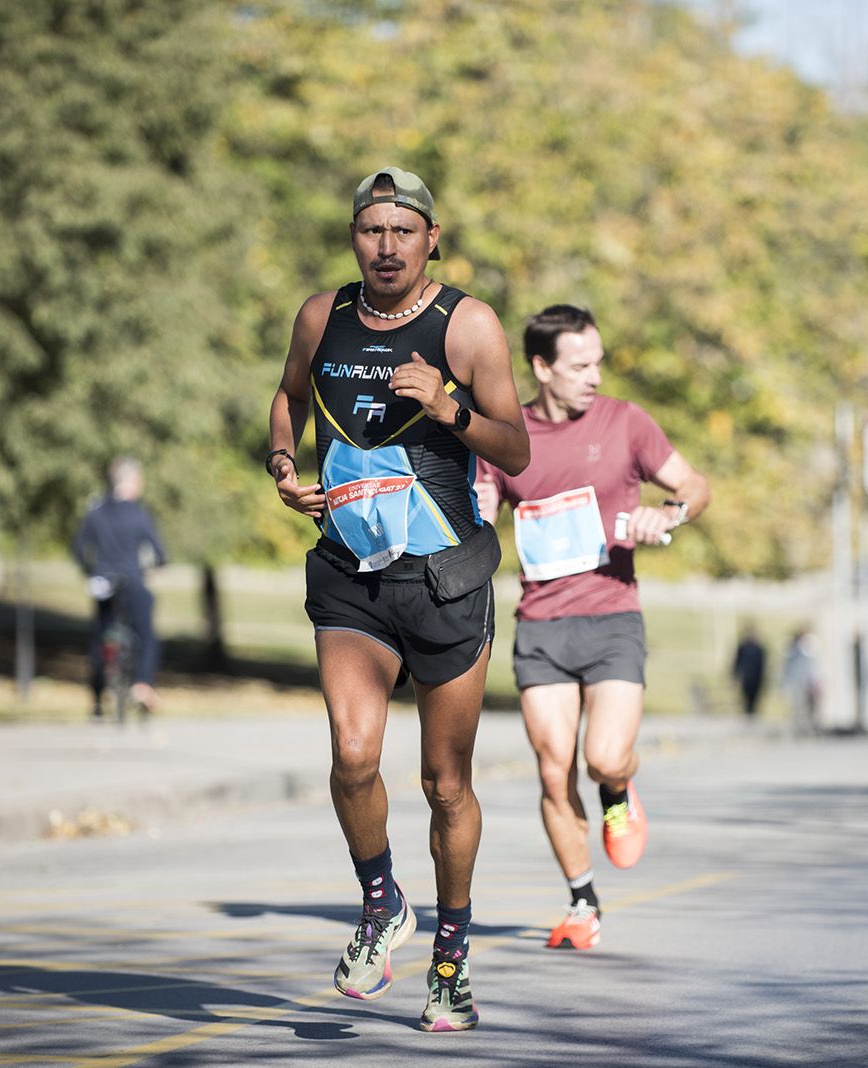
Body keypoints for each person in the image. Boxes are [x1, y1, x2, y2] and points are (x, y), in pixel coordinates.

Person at [266, 167, 528, 1032]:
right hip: (351, 571)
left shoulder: (470, 325)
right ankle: (381, 903)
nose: (385, 246)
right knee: (351, 754)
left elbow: (517, 450)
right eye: (371, 230)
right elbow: (290, 395)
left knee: (444, 784)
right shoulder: (322, 315)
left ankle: (449, 964)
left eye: (401, 231)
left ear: (430, 238)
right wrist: (282, 462)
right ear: (355, 237)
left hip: (444, 577)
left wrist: (450, 407)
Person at [475, 304, 710, 952]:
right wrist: (475, 507)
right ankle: (582, 902)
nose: (594, 376)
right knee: (553, 772)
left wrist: (670, 512)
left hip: (612, 618)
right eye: (580, 365)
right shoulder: (506, 434)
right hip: (542, 625)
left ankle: (617, 786)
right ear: (542, 367)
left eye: (599, 362)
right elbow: (481, 505)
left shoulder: (625, 421)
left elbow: (694, 484)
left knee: (601, 755)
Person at [70, 457, 167, 716]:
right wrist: (156, 566)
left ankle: (98, 695)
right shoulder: (139, 514)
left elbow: (79, 548)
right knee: (146, 634)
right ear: (134, 482)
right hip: (132, 580)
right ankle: (143, 684)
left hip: (102, 581)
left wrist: (91, 570)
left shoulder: (96, 511)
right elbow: (159, 552)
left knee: (100, 634)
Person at [781, 627, 822, 736]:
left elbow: (813, 668)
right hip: (797, 683)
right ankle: (799, 728)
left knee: (809, 708)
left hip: (807, 683)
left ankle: (808, 728)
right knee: (798, 707)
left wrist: (816, 683)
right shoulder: (792, 651)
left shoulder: (809, 649)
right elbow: (787, 668)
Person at [732, 625, 767, 719]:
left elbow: (763, 665)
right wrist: (735, 676)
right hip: (746, 678)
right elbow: (737, 662)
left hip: (757, 678)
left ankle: (752, 717)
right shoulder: (743, 647)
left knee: (755, 700)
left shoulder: (759, 649)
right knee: (746, 700)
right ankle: (748, 717)